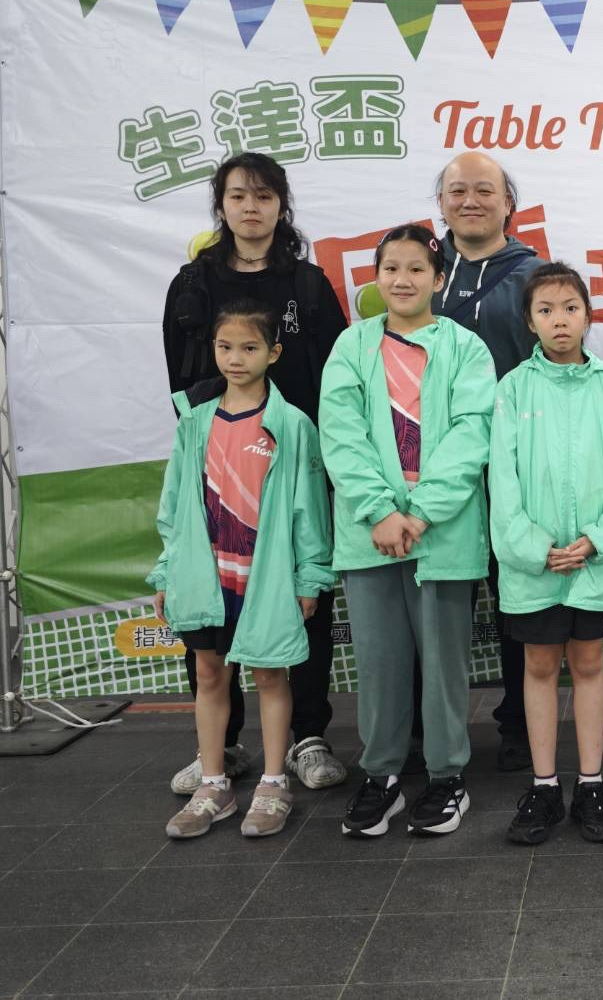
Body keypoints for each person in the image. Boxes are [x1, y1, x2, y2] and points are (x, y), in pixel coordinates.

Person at [161, 152, 349, 795]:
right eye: (238, 195)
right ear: (221, 205)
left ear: (281, 206)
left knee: (303, 599)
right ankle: (223, 745)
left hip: (295, 465)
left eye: (264, 196)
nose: (250, 207)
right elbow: (180, 379)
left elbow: (337, 377)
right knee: (213, 603)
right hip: (219, 469)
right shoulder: (193, 283)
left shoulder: (307, 284)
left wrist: (313, 454)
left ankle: (308, 736)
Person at [319, 224, 496, 837]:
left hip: (440, 534)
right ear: (376, 277)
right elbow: (340, 433)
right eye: (391, 268)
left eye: (417, 269)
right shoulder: (352, 346)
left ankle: (447, 777)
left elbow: (472, 434)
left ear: (438, 279)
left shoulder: (467, 349)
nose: (402, 279)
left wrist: (420, 513)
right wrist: (380, 511)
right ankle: (382, 776)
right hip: (369, 536)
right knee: (379, 662)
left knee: (444, 665)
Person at [150, 302, 333, 839]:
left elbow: (309, 510)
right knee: (210, 674)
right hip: (206, 577)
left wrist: (309, 576)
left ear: (273, 353)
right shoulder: (195, 421)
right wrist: (167, 571)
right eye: (225, 347)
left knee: (271, 674)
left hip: (265, 579)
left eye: (249, 347)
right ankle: (214, 785)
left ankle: (274, 783)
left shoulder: (292, 425)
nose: (235, 358)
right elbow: (174, 505)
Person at [493, 263, 603, 846]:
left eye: (571, 308)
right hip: (535, 565)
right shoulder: (513, 388)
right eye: (546, 310)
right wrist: (535, 547)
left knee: (587, 664)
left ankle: (592, 784)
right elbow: (502, 480)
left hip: (592, 558)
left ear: (587, 315)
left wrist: (600, 537)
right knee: (537, 666)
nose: (560, 320)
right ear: (529, 322)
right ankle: (544, 785)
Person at [433, 151, 544, 772]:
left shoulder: (533, 276)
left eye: (484, 190)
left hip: (512, 465)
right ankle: (430, 729)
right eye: (457, 191)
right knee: (437, 599)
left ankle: (521, 724)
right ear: (441, 203)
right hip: (433, 465)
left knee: (516, 594)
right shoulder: (420, 270)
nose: (470, 201)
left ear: (509, 204)